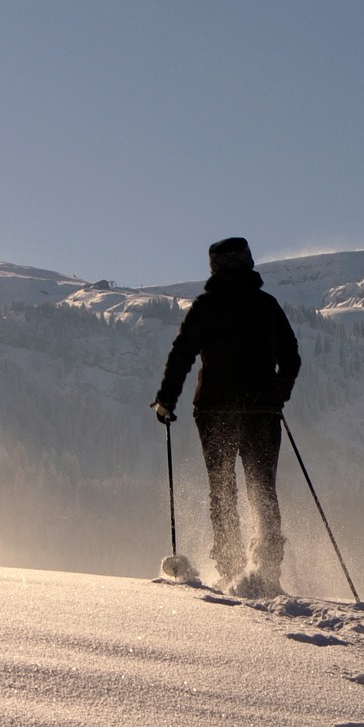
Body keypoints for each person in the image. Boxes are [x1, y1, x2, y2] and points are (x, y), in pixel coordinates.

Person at [153, 237, 300, 596]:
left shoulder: (204, 307)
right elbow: (291, 356)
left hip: (214, 410)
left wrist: (166, 401)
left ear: (213, 267)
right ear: (248, 262)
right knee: (262, 488)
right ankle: (267, 572)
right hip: (261, 411)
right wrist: (277, 394)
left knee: (222, 488)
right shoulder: (266, 306)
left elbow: (181, 355)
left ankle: (231, 567)